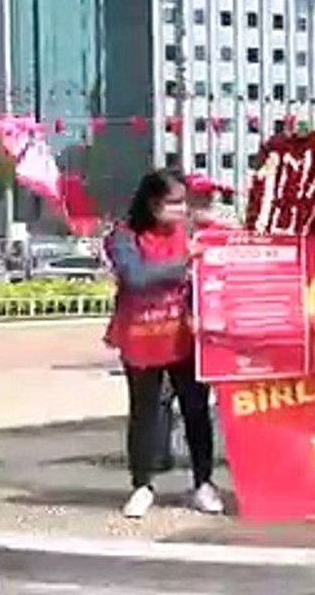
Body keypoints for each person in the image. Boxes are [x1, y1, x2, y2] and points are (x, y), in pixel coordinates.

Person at [103, 170, 223, 519]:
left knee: (197, 410)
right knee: (145, 414)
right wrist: (185, 259)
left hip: (185, 336)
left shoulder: (191, 233)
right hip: (140, 336)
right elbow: (136, 277)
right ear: (152, 203)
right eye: (173, 203)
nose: (181, 209)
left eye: (183, 202)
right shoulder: (124, 237)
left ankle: (203, 483)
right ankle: (142, 485)